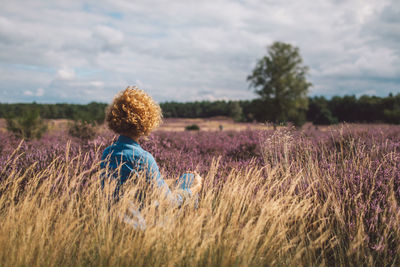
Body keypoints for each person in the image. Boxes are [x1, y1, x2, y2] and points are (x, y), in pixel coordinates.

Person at [100, 86, 202, 210]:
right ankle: (191, 223)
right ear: (146, 122)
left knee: (185, 179)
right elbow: (168, 202)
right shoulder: (143, 158)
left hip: (113, 217)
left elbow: (131, 183)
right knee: (191, 181)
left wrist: (174, 181)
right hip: (144, 220)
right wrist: (195, 189)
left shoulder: (107, 153)